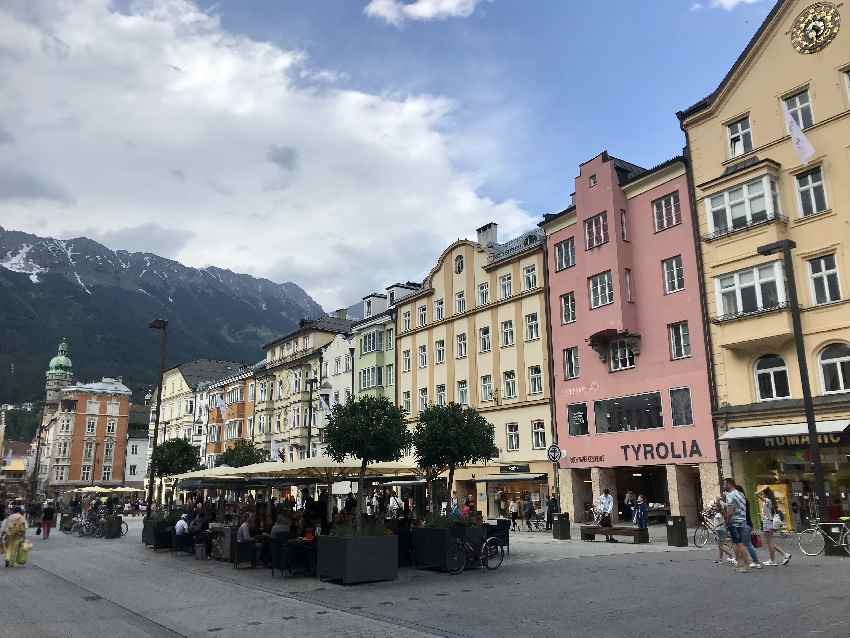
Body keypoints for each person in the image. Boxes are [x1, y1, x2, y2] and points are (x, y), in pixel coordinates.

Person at [723, 478, 759, 572]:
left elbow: (730, 511)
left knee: (739, 544)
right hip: (742, 521)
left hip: (735, 522)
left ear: (730, 484)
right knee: (738, 543)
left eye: (725, 484)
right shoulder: (741, 494)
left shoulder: (730, 495)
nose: (724, 486)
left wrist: (727, 522)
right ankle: (740, 564)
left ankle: (746, 564)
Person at [757, 487, 791, 566]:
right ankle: (785, 555)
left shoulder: (767, 500)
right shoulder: (770, 500)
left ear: (765, 493)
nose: (762, 494)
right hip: (769, 522)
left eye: (763, 493)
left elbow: (756, 494)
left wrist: (764, 488)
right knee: (770, 542)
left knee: (770, 543)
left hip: (767, 522)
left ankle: (773, 560)